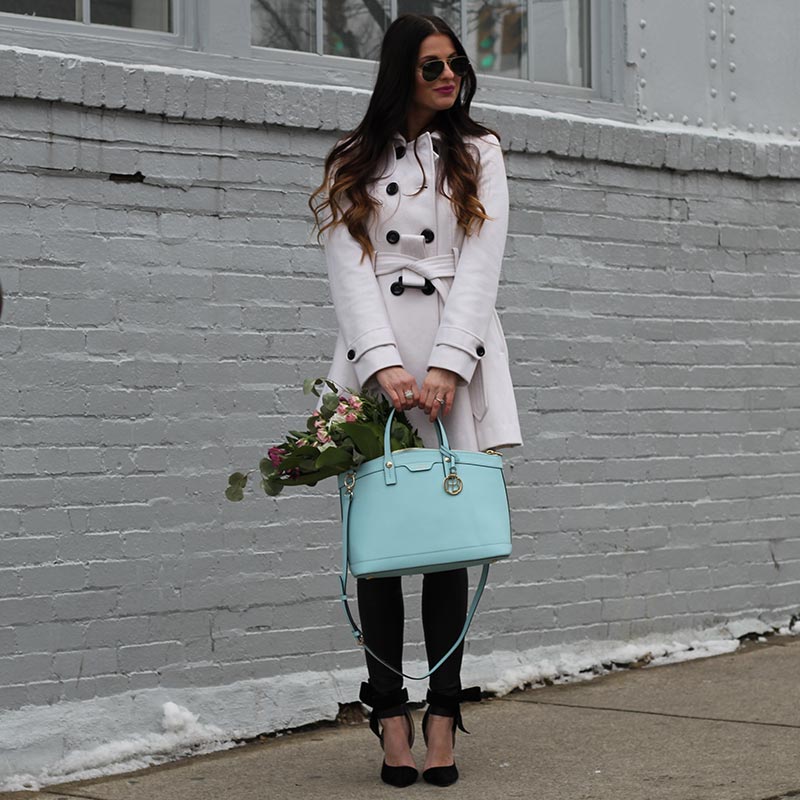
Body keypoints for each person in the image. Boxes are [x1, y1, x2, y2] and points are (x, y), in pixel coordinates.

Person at [309, 13, 522, 788]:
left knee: (444, 541)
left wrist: (449, 364)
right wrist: (382, 365)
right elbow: (348, 272)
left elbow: (484, 261)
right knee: (381, 548)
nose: (448, 77)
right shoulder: (352, 161)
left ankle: (441, 718)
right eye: (432, 66)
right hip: (378, 363)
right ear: (402, 72)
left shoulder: (479, 153)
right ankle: (387, 715)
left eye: (455, 65)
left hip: (453, 356)